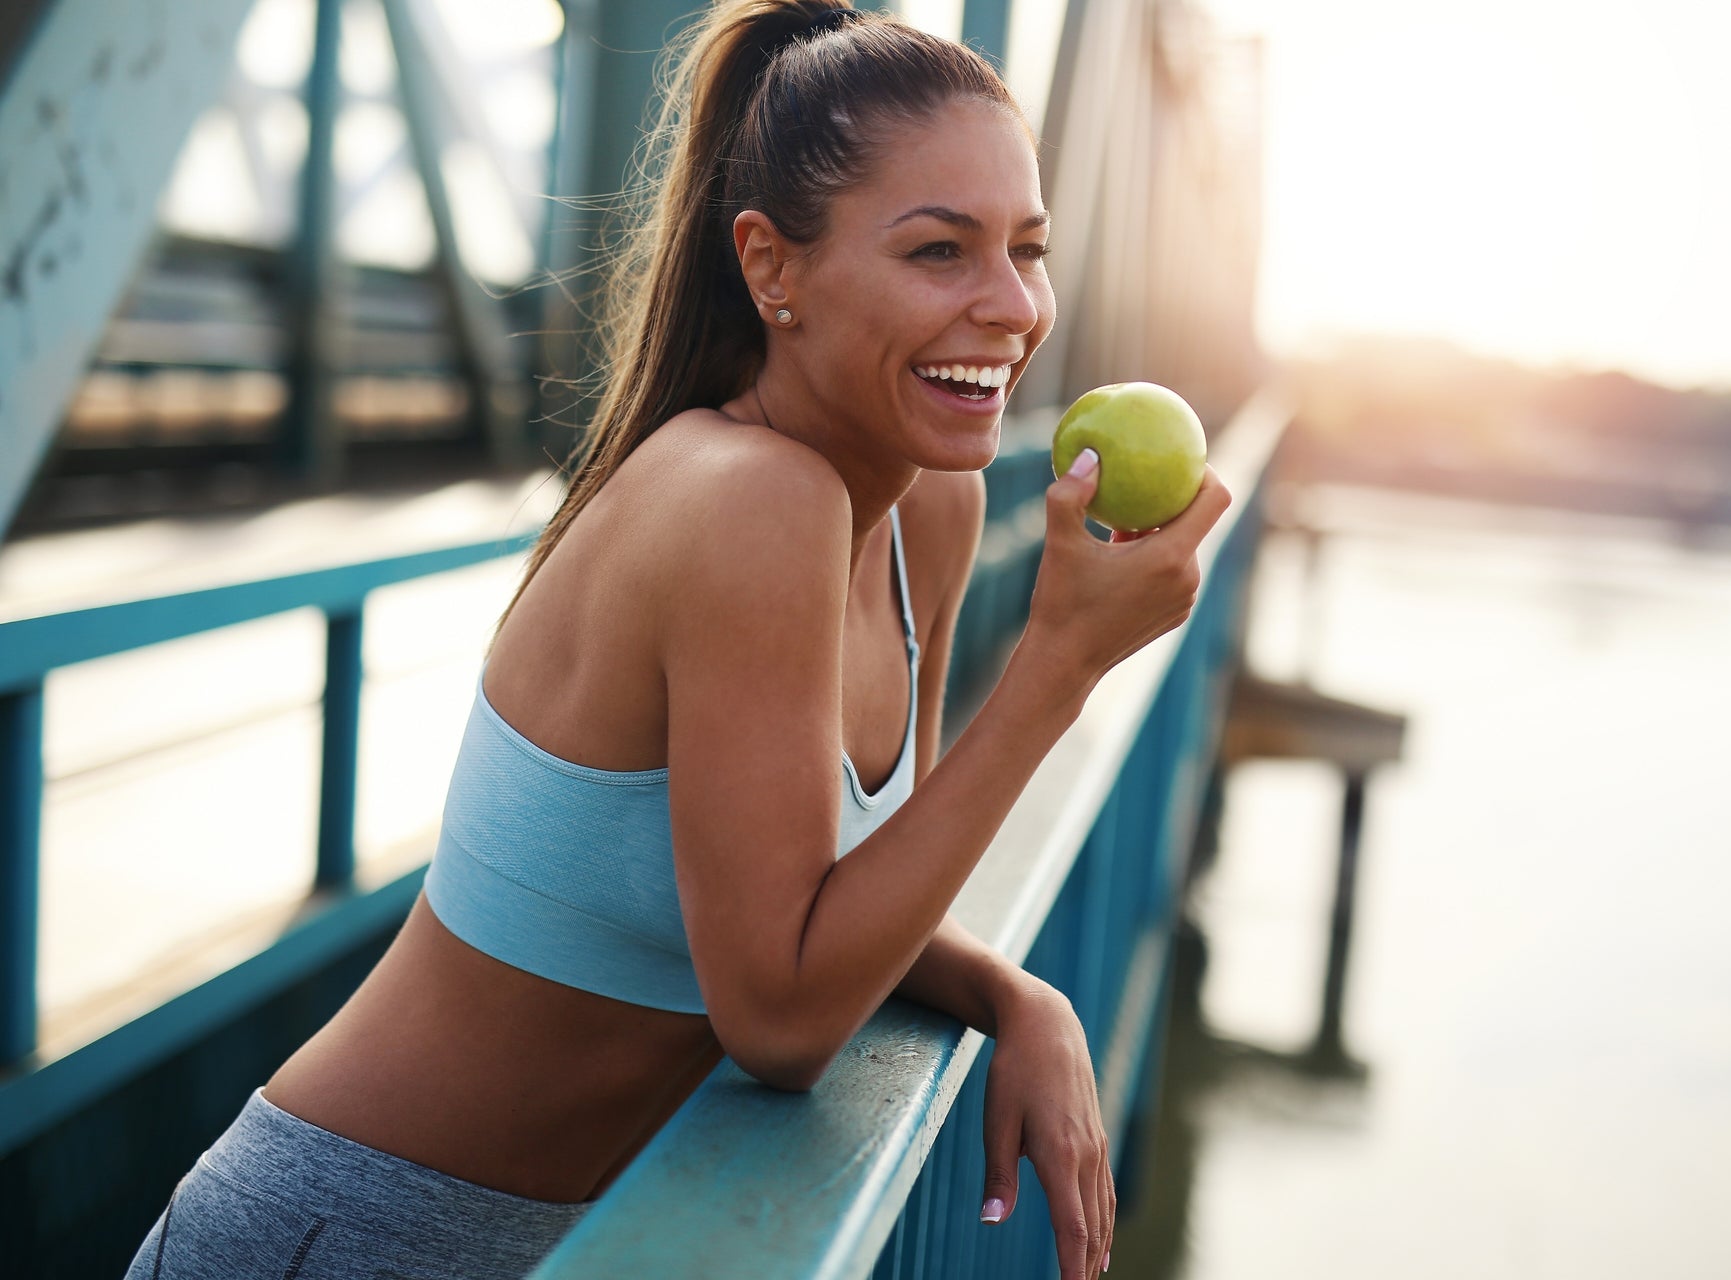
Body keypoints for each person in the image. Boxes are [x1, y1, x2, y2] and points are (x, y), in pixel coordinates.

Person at [123, 2, 1229, 1278]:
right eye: (939, 251)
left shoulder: (932, 505)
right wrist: (1058, 667)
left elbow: (833, 897)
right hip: (354, 1233)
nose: (1011, 306)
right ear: (772, 268)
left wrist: (1010, 993)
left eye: (1026, 250)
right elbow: (783, 1012)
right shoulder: (750, 499)